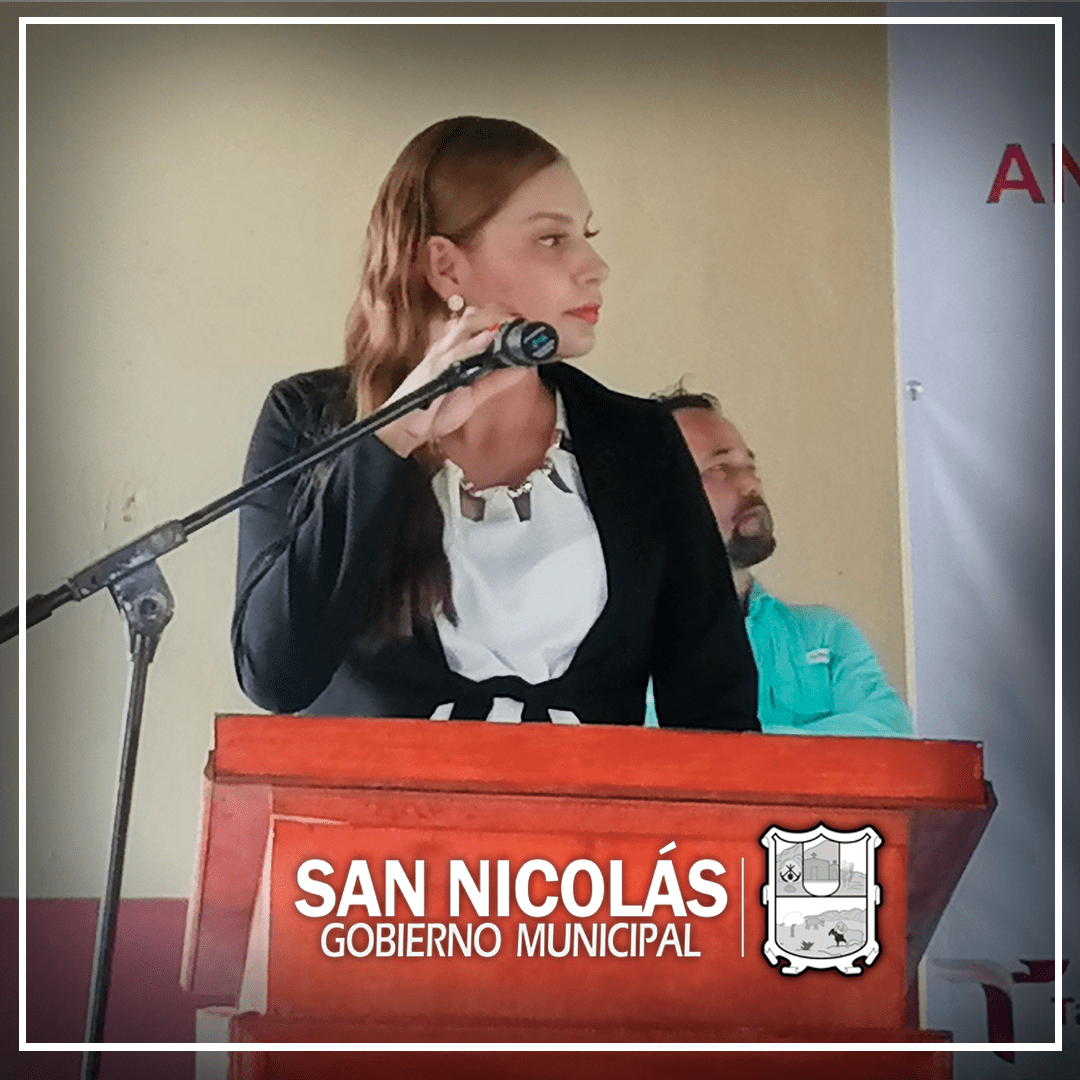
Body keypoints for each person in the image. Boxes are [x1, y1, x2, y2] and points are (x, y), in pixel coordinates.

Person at [231, 117, 758, 730]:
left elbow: (716, 711)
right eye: (552, 239)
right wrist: (392, 438)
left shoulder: (641, 441)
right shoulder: (309, 419)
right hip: (370, 796)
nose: (595, 267)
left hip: (588, 796)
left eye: (585, 235)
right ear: (447, 266)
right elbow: (275, 674)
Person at [644, 389, 912, 737]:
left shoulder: (825, 638)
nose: (751, 484)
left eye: (750, 466)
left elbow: (894, 734)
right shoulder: (626, 650)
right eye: (720, 469)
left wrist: (742, 744)